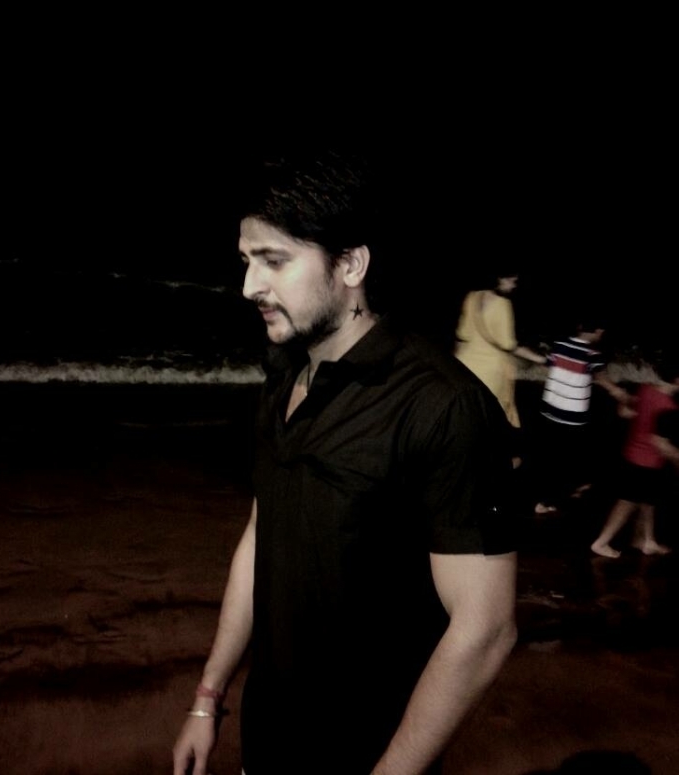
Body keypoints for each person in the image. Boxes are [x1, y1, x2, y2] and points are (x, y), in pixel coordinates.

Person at [172, 151, 518, 775]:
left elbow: (485, 629)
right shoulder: (283, 373)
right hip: (266, 735)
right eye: (247, 261)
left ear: (351, 264)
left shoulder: (443, 406)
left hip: (367, 752)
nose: (250, 286)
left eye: (274, 261)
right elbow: (262, 534)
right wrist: (208, 696)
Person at [531, 317, 630, 515]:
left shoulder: (560, 345)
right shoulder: (592, 354)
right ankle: (550, 500)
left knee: (552, 455)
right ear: (598, 331)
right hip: (572, 416)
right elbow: (600, 377)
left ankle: (561, 490)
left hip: (550, 410)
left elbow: (549, 365)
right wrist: (618, 391)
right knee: (567, 458)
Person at [590, 353, 679, 558]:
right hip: (645, 462)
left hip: (632, 454)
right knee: (628, 502)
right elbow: (661, 443)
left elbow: (626, 413)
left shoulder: (646, 389)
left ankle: (646, 540)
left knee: (648, 499)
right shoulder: (669, 407)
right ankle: (601, 542)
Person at [454, 270, 547, 466]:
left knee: (467, 414)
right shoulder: (503, 304)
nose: (514, 284)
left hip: (465, 364)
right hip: (490, 371)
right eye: (511, 279)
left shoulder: (472, 296)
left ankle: (464, 457)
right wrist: (540, 358)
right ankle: (494, 461)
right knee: (492, 416)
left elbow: (463, 334)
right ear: (499, 278)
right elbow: (508, 344)